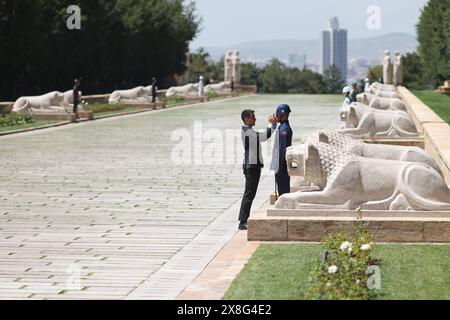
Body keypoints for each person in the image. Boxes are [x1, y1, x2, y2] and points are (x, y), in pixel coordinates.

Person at [238, 110, 277, 230]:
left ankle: (243, 220)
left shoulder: (249, 130)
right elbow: (264, 137)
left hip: (253, 165)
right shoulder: (247, 131)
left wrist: (273, 125)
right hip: (251, 166)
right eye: (253, 117)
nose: (255, 119)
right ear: (246, 118)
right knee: (249, 194)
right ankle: (243, 221)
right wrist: (271, 124)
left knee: (250, 194)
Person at [270, 104, 293, 197]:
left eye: (277, 115)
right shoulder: (283, 127)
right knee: (282, 188)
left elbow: (282, 149)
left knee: (283, 190)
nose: (276, 117)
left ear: (282, 115)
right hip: (281, 165)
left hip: (281, 165)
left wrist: (278, 165)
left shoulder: (284, 129)